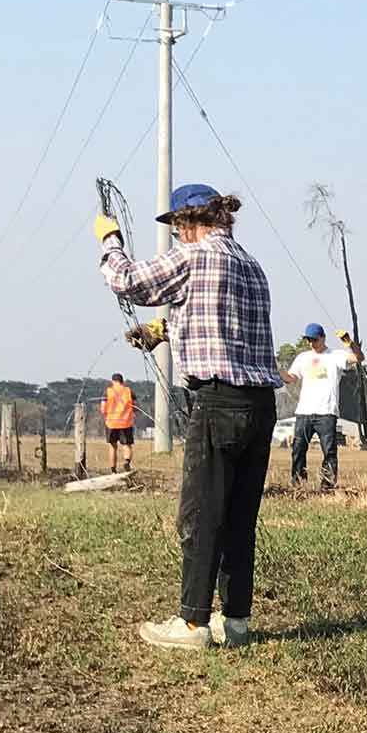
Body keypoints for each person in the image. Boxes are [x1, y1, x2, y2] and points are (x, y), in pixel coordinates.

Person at [95, 183, 282, 651]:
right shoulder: (251, 265)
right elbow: (221, 322)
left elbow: (129, 281)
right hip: (260, 407)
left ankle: (193, 624)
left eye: (177, 230)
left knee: (200, 516)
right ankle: (234, 621)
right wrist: (164, 330)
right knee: (240, 517)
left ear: (189, 223)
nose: (177, 239)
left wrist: (109, 240)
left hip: (217, 404)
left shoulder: (196, 256)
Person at [282, 323, 363, 490]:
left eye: (314, 340)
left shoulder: (335, 355)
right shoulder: (303, 358)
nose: (311, 343)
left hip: (326, 412)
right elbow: (291, 378)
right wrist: (275, 371)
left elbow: (359, 358)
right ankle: (298, 484)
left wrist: (350, 343)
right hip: (304, 412)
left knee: (329, 452)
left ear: (323, 338)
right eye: (308, 340)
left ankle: (327, 486)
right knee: (298, 450)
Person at [102, 373, 136, 472]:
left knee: (113, 446)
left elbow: (103, 408)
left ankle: (113, 469)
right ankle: (127, 461)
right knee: (127, 445)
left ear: (113, 381)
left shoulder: (108, 391)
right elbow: (134, 406)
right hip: (126, 422)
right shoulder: (128, 391)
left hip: (111, 423)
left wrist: (107, 416)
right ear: (122, 381)